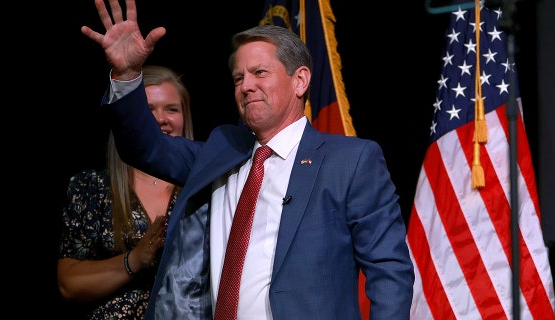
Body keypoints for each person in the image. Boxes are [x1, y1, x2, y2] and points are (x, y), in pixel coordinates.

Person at [81, 0, 415, 318]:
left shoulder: (351, 160)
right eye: (239, 78)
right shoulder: (220, 151)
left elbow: (389, 270)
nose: (247, 86)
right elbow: (143, 147)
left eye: (259, 72)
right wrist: (126, 76)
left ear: (300, 80)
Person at [57, 64, 210, 319]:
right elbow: (68, 283)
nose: (161, 118)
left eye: (172, 109)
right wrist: (134, 260)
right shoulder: (93, 187)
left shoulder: (207, 189)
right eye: (148, 109)